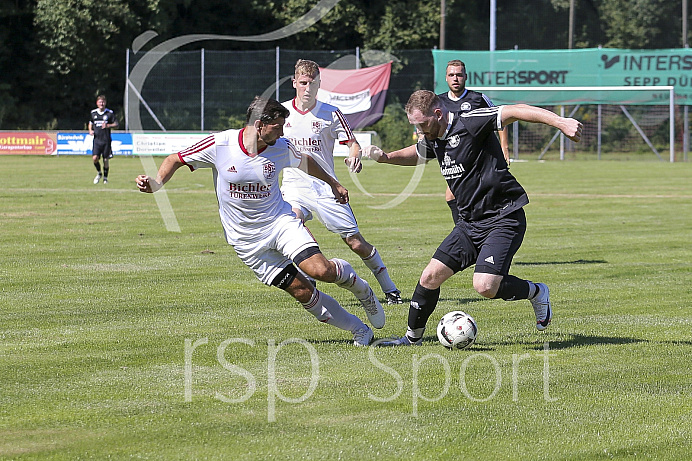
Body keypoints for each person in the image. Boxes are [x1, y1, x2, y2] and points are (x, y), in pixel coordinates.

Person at [136, 96, 385, 346]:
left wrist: (334, 184)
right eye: (277, 126)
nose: (282, 131)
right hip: (245, 241)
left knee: (320, 271)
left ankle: (362, 289)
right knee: (302, 292)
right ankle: (360, 330)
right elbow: (175, 159)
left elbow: (307, 162)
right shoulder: (220, 144)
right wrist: (156, 184)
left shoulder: (280, 146)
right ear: (259, 124)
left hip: (280, 223)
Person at [363, 90, 583, 346]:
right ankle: (412, 340)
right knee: (429, 277)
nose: (420, 131)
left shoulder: (470, 121)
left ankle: (536, 291)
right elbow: (418, 152)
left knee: (485, 286)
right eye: (416, 126)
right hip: (469, 224)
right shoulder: (433, 136)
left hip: (504, 217)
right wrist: (385, 157)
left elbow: (514, 110)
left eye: (422, 124)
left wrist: (561, 122)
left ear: (438, 114)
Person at [280, 59, 403, 305]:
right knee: (292, 222)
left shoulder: (331, 113)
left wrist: (353, 156)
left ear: (319, 84)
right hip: (294, 186)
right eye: (302, 83)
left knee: (355, 242)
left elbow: (353, 144)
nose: (306, 88)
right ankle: (309, 271)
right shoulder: (282, 113)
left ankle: (390, 289)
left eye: (311, 83)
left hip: (327, 187)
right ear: (294, 83)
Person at [439, 59, 510, 224]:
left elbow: (500, 119)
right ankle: (466, 230)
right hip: (456, 157)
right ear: (446, 78)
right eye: (451, 75)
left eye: (459, 75)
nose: (455, 78)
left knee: (453, 194)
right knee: (454, 195)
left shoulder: (478, 99)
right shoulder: (439, 102)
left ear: (466, 76)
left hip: (480, 157)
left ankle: (466, 231)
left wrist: (504, 147)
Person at [89, 95, 118, 184]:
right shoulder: (93, 113)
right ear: (97, 103)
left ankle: (105, 178)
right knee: (95, 158)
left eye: (103, 102)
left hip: (106, 140)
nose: (102, 104)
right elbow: (90, 123)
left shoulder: (109, 113)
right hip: (97, 140)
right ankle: (99, 173)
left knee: (106, 160)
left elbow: (116, 124)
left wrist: (108, 125)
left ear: (105, 103)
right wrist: (90, 130)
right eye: (100, 102)